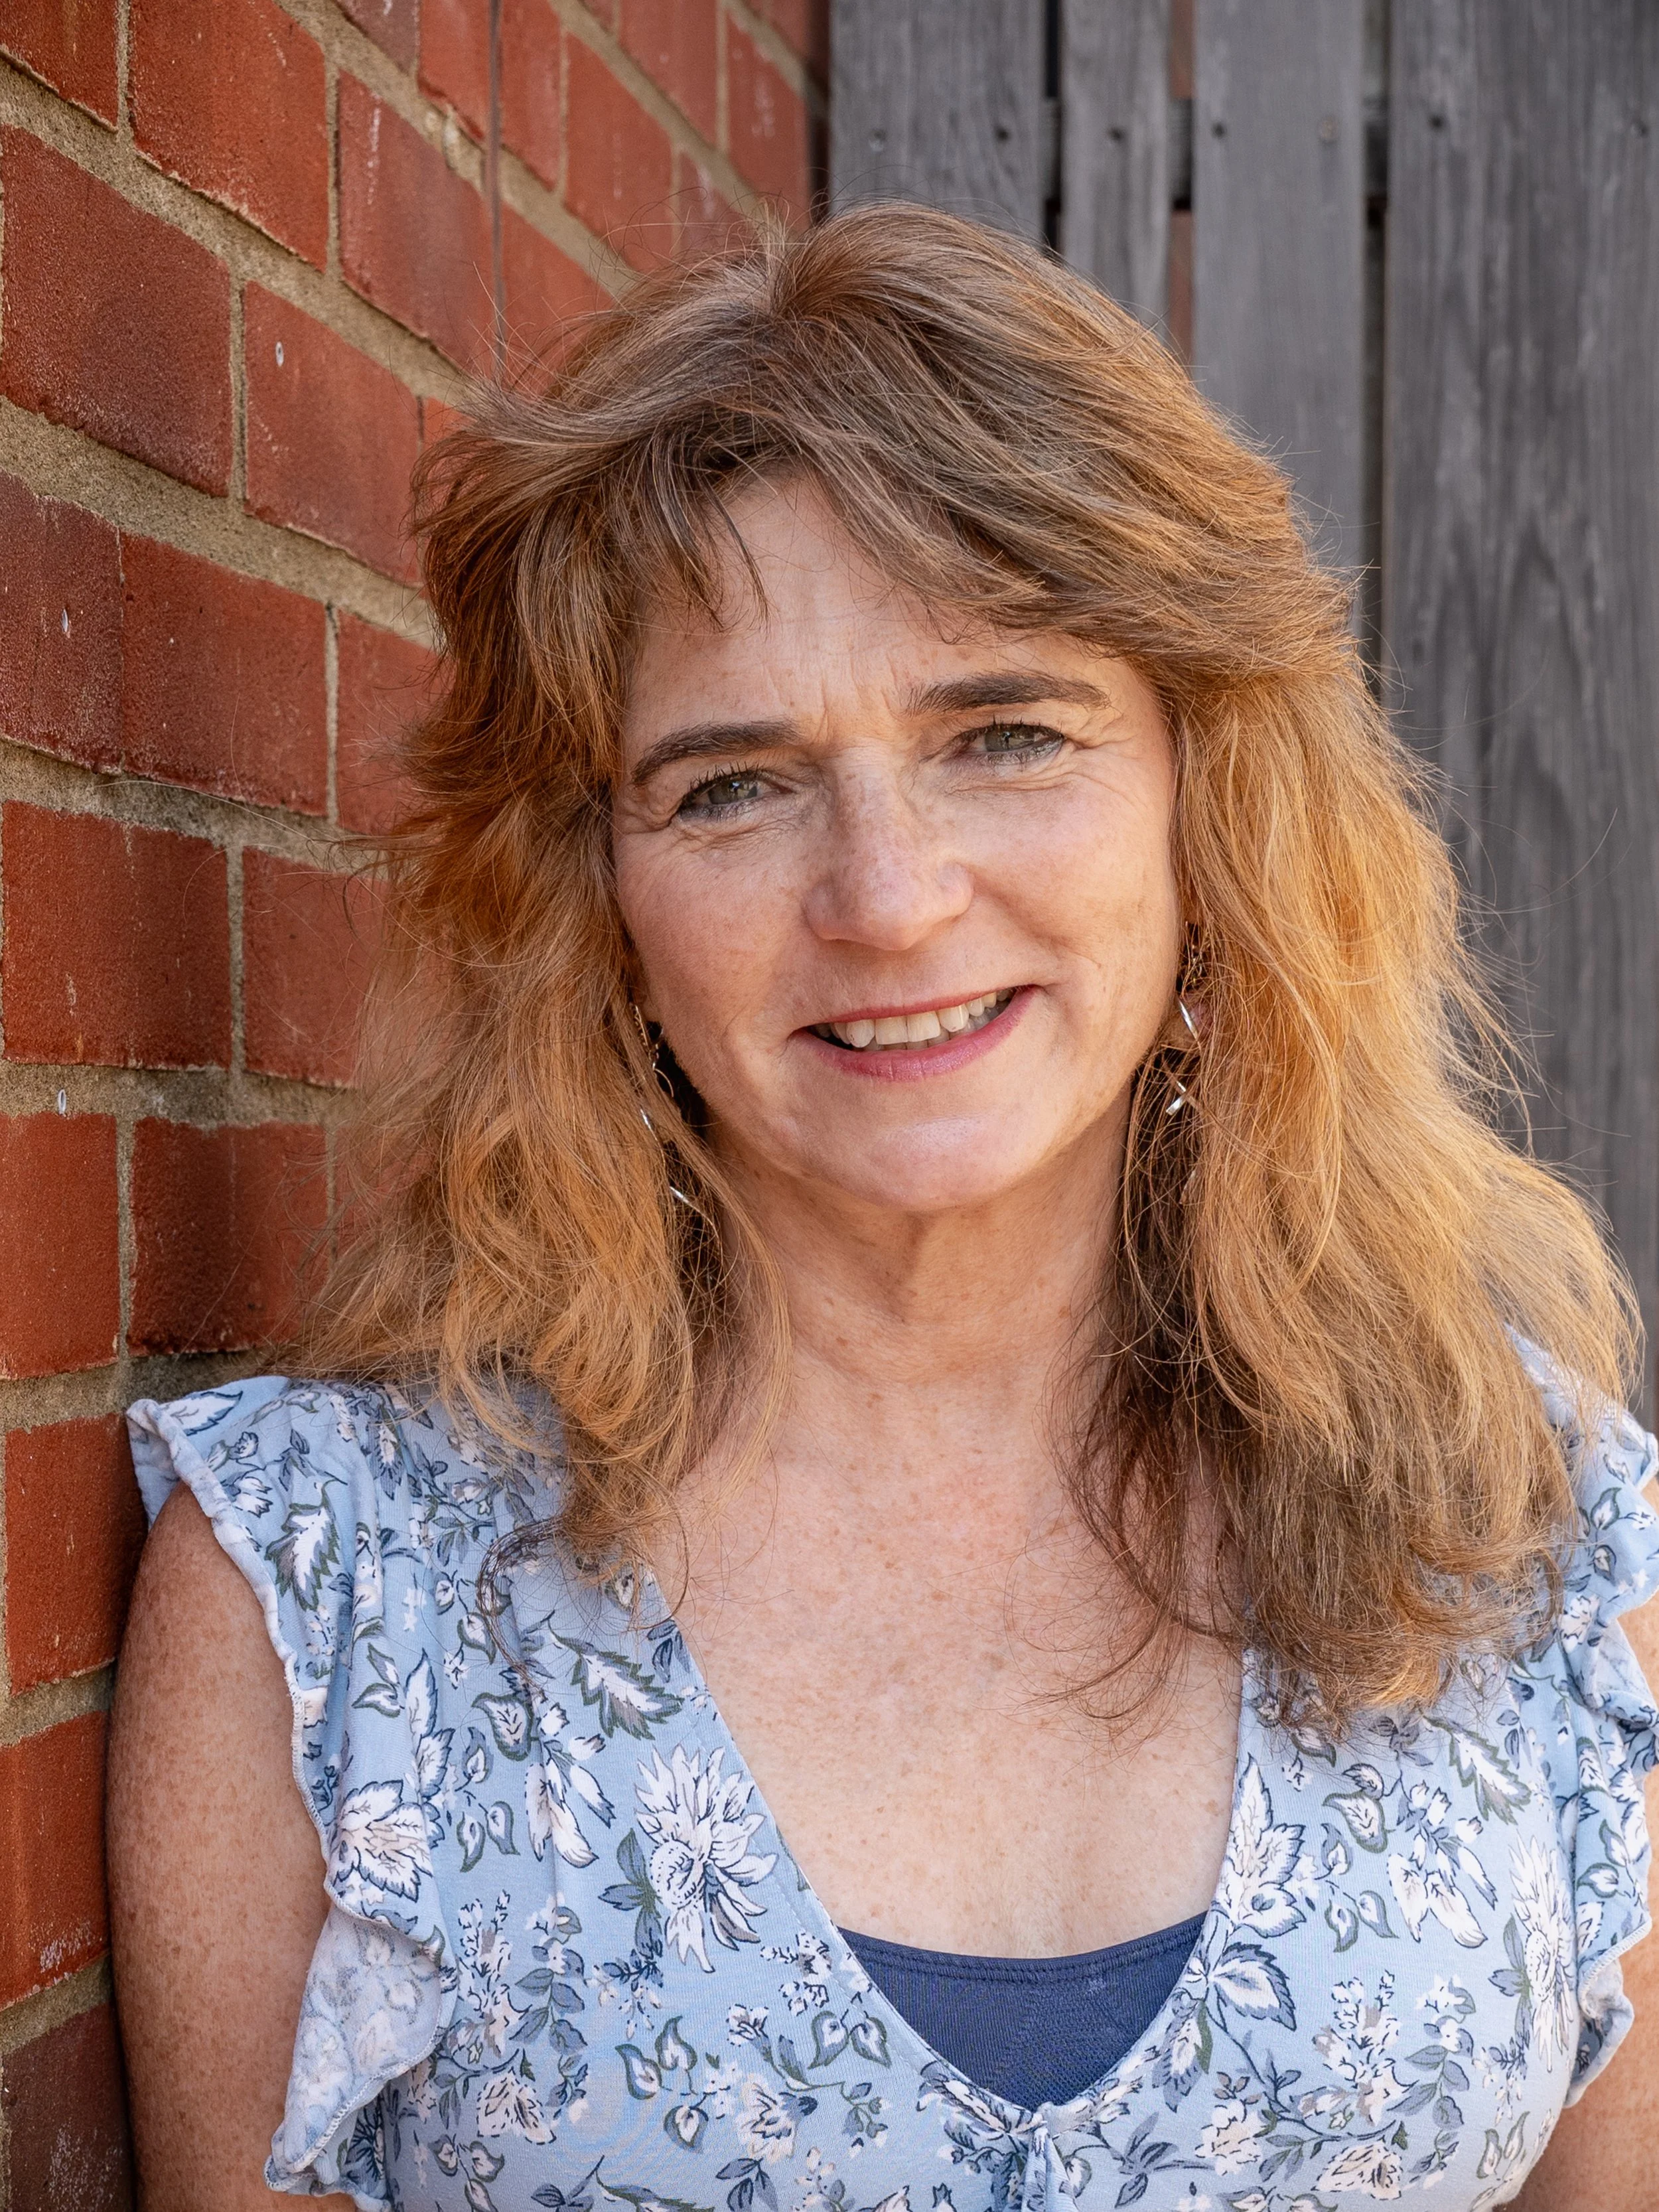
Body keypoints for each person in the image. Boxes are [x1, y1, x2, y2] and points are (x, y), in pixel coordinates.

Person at [108, 205, 1659, 2212]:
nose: (887, 897)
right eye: (732, 785)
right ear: (599, 910)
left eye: (1002, 733)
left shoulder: (1538, 1546)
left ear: (1210, 817)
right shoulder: (331, 1598)